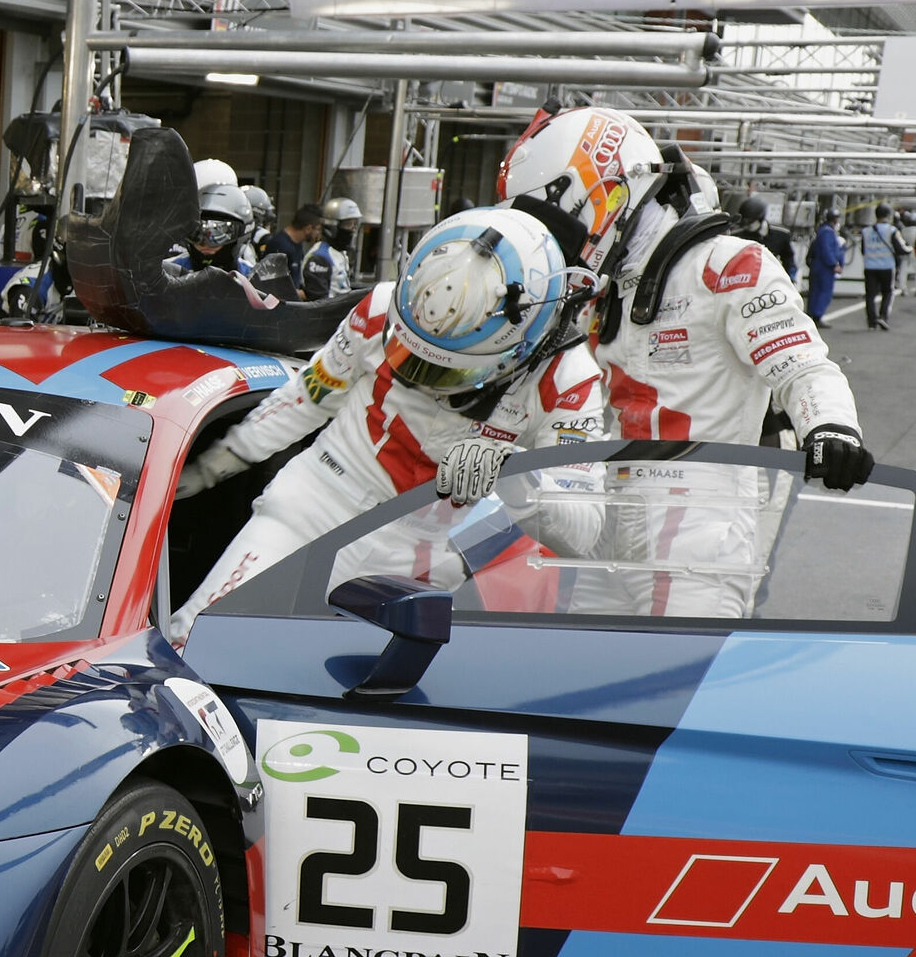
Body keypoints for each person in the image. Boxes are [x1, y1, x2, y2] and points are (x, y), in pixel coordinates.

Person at [170, 205, 613, 642]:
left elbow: (584, 529)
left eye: (450, 371)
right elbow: (309, 395)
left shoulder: (569, 378)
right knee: (195, 640)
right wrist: (211, 467)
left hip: (422, 560)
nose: (427, 379)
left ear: (524, 342)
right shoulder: (384, 306)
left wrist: (512, 472)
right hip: (312, 507)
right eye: (412, 354)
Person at [511, 108, 869, 486]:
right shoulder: (602, 290)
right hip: (616, 500)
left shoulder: (727, 266)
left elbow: (803, 366)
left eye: (558, 226)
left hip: (711, 512)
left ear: (608, 191)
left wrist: (831, 427)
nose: (558, 244)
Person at [858, 208, 897, 330]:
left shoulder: (866, 231)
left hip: (870, 266)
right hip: (886, 266)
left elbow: (863, 249)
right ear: (888, 215)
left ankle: (871, 321)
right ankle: (883, 316)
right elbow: (901, 248)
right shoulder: (892, 230)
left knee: (870, 295)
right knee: (888, 292)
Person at [803, 212, 845, 323]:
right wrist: (834, 264)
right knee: (823, 291)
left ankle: (812, 314)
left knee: (815, 291)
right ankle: (817, 315)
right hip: (824, 267)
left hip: (818, 266)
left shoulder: (822, 231)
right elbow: (827, 250)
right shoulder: (828, 232)